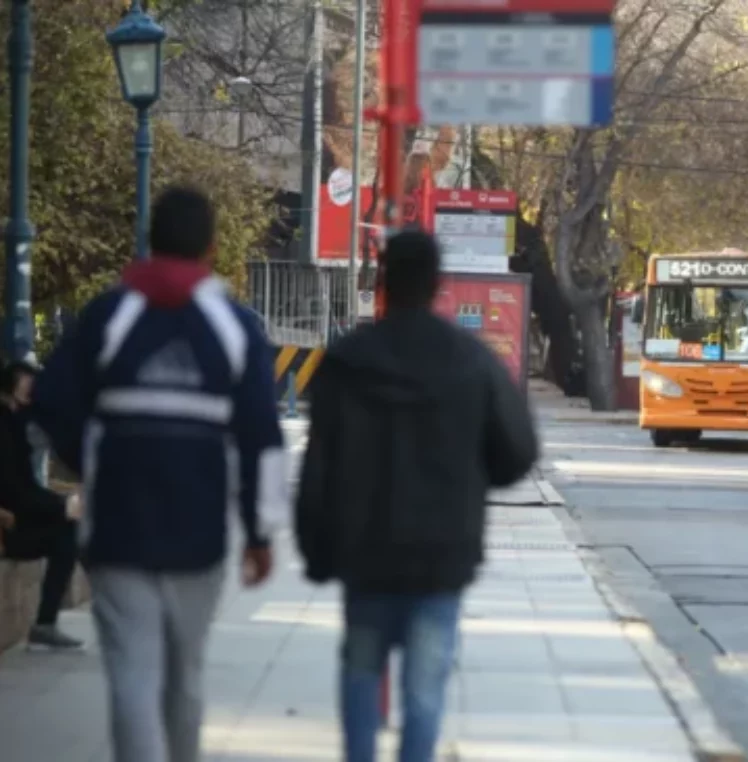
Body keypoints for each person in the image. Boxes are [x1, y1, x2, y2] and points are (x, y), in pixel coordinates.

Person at [31, 185, 287, 762]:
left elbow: (48, 399)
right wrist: (261, 532)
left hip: (118, 527)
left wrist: (91, 454)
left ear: (151, 241)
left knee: (131, 678)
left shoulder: (110, 314)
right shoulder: (232, 325)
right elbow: (260, 438)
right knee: (184, 677)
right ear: (213, 248)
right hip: (199, 535)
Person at [295, 229, 539, 762]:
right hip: (440, 556)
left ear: (384, 281)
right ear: (436, 286)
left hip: (364, 556)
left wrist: (315, 551)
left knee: (361, 674)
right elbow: (518, 450)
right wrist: (472, 479)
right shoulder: (471, 360)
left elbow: (319, 465)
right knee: (424, 692)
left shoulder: (348, 360)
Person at [0, 360, 84, 649]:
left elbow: (23, 486)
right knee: (68, 532)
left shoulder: (15, 423)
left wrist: (63, 505)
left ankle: (45, 626)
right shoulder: (5, 427)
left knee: (70, 532)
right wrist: (62, 506)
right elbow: (13, 489)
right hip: (6, 526)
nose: (30, 395)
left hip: (16, 518)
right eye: (25, 389)